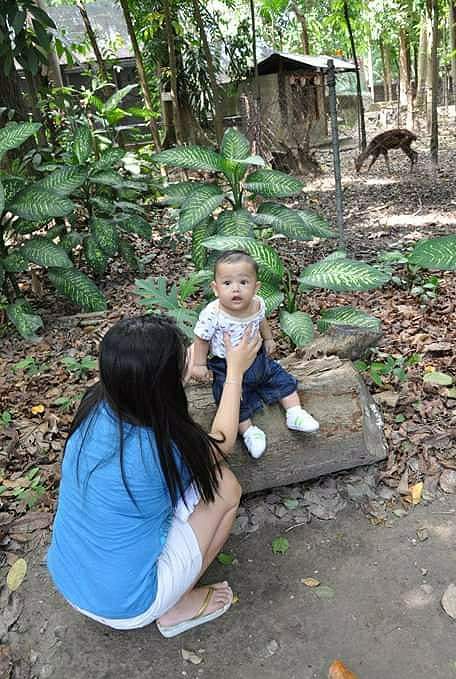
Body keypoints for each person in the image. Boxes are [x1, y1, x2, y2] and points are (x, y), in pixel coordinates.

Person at [47, 314, 262, 637]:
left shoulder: (95, 402)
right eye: (182, 358)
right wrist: (234, 372)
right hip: (127, 605)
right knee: (225, 487)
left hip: (68, 579)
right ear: (166, 383)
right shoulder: (168, 445)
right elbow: (222, 442)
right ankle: (178, 605)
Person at [191, 250, 319, 459]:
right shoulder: (213, 313)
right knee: (229, 398)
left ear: (256, 287)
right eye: (227, 283)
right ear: (215, 288)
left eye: (243, 282)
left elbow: (261, 321)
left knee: (280, 378)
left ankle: (294, 413)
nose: (236, 289)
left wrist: (268, 339)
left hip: (256, 357)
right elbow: (201, 338)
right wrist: (199, 364)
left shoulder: (257, 303)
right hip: (225, 365)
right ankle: (249, 431)